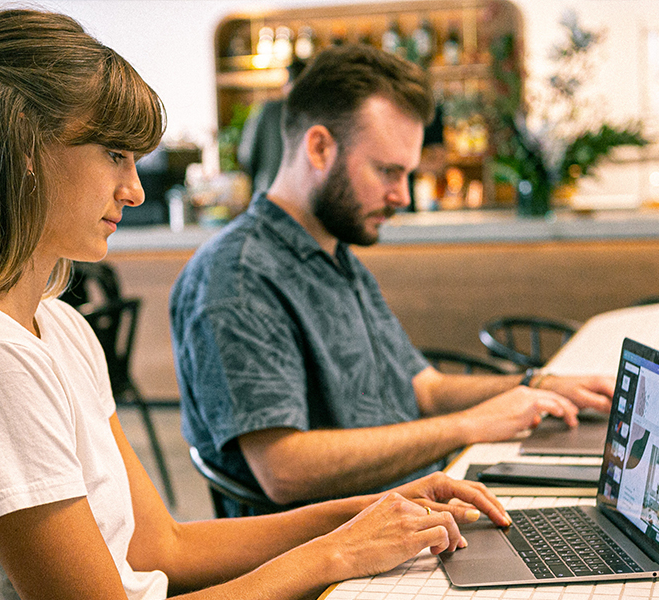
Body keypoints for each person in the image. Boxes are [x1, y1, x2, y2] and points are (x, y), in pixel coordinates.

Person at [0, 10, 511, 600]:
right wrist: (337, 554)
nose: (132, 189)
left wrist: (375, 508)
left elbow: (163, 546)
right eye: (114, 155)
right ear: (24, 154)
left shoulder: (57, 326)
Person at [170, 44, 615, 517]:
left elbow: (423, 388)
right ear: (319, 147)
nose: (402, 195)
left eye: (407, 173)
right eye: (387, 171)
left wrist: (536, 385)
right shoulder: (237, 277)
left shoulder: (335, 253)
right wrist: (467, 426)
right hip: (332, 557)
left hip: (411, 509)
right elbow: (284, 470)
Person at [237, 59, 306, 196]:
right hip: (303, 198)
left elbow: (246, 154)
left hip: (269, 193)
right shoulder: (316, 113)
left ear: (286, 85)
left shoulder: (267, 110)